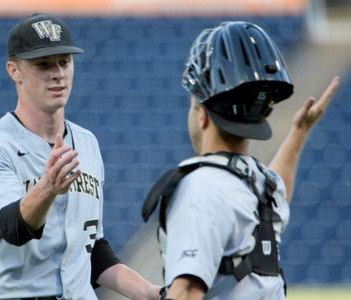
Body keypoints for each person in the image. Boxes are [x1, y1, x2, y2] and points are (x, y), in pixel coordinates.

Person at [0, 13, 160, 300]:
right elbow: (13, 229)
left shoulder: (87, 143)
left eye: (64, 62)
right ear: (14, 70)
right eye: (43, 64)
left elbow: (92, 251)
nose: (58, 73)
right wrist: (47, 189)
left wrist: (152, 293)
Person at [142, 21, 340, 299]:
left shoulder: (201, 189)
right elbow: (278, 187)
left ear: (201, 114)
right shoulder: (258, 183)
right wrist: (299, 133)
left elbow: (186, 292)